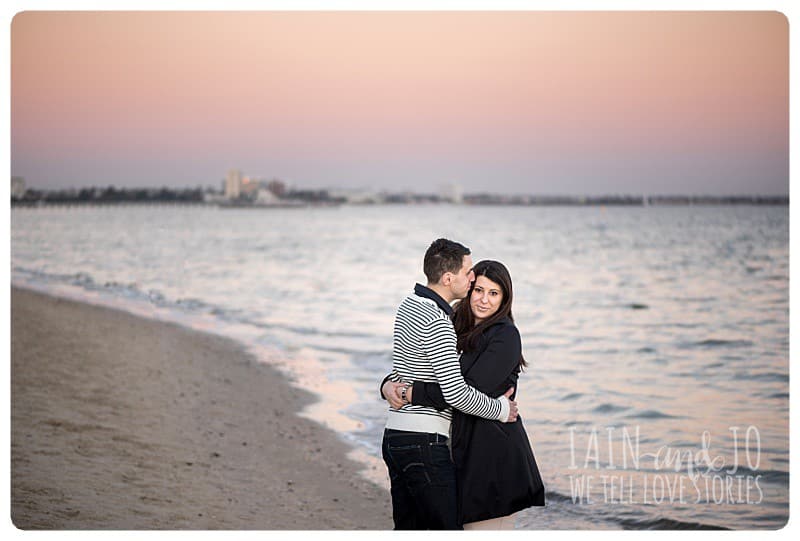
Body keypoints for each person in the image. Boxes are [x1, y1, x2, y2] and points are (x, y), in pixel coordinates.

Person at [384, 260, 545, 529]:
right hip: (456, 448)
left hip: (492, 452)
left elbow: (461, 389)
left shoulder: (505, 336)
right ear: (468, 289)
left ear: (505, 298)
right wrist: (388, 384)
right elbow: (418, 364)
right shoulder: (453, 324)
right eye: (478, 290)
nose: (483, 300)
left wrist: (410, 393)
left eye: (493, 293)